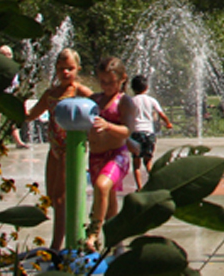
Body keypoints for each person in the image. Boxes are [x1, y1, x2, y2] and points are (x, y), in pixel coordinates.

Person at [25, 48, 92, 250]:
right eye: (61, 69)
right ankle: (64, 237)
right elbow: (31, 115)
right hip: (53, 149)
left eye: (70, 68)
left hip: (70, 149)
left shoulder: (79, 91)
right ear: (55, 69)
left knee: (62, 198)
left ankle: (58, 244)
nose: (65, 73)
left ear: (77, 69)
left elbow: (99, 107)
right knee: (53, 197)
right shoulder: (50, 94)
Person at [84, 57, 134, 252]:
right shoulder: (94, 100)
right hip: (96, 157)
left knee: (101, 186)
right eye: (102, 82)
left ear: (122, 79)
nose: (106, 86)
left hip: (117, 156)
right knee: (108, 198)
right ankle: (117, 242)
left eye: (111, 82)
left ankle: (93, 233)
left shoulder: (124, 102)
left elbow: (127, 131)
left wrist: (108, 126)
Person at [128, 75, 173, 190]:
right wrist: (168, 123)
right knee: (148, 161)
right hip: (149, 133)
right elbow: (161, 114)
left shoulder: (131, 101)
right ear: (147, 87)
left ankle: (139, 187)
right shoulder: (151, 100)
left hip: (136, 133)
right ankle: (154, 183)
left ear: (132, 88)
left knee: (136, 163)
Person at [0, 45, 29, 149]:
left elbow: (15, 84)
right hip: (1, 97)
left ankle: (18, 141)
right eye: (4, 55)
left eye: (9, 54)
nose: (7, 56)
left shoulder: (13, 69)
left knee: (12, 118)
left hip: (9, 96)